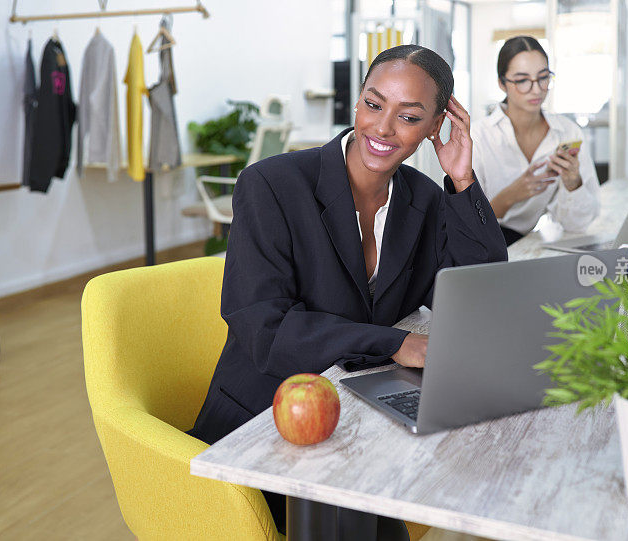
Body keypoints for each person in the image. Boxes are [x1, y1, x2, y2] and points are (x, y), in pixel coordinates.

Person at [187, 45, 507, 539]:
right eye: (374, 104)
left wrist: (462, 179)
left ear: (436, 127)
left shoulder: (424, 199)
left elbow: (482, 298)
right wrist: (394, 343)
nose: (382, 128)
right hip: (265, 422)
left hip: (360, 418)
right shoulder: (271, 185)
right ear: (357, 102)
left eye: (410, 117)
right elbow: (263, 330)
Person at [471, 35, 600, 246]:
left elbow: (577, 226)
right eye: (522, 80)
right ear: (502, 84)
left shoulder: (567, 133)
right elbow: (463, 224)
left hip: (526, 243)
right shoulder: (478, 136)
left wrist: (573, 184)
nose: (537, 89)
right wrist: (510, 196)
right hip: (479, 246)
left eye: (543, 77)